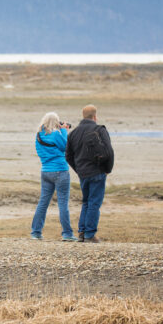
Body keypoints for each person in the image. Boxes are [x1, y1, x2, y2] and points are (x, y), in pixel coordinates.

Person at [66, 104, 115, 243]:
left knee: (86, 202)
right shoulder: (99, 130)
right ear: (95, 116)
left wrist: (79, 169)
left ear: (83, 116)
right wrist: (107, 170)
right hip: (97, 172)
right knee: (94, 203)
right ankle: (89, 234)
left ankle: (82, 232)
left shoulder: (73, 133)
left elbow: (68, 155)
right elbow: (109, 152)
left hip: (83, 173)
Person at [30, 112, 75, 241]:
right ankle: (67, 234)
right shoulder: (56, 134)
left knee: (43, 203)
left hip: (45, 171)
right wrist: (65, 131)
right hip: (60, 170)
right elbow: (66, 147)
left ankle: (36, 232)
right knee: (63, 204)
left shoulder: (39, 135)